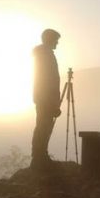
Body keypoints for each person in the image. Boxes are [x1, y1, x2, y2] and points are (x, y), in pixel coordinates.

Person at [31, 28, 62, 169]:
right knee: (43, 128)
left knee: (43, 127)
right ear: (50, 39)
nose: (57, 43)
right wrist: (53, 103)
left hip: (44, 98)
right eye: (56, 40)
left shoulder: (43, 54)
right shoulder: (46, 55)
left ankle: (40, 156)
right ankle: (39, 158)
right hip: (46, 99)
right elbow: (48, 80)